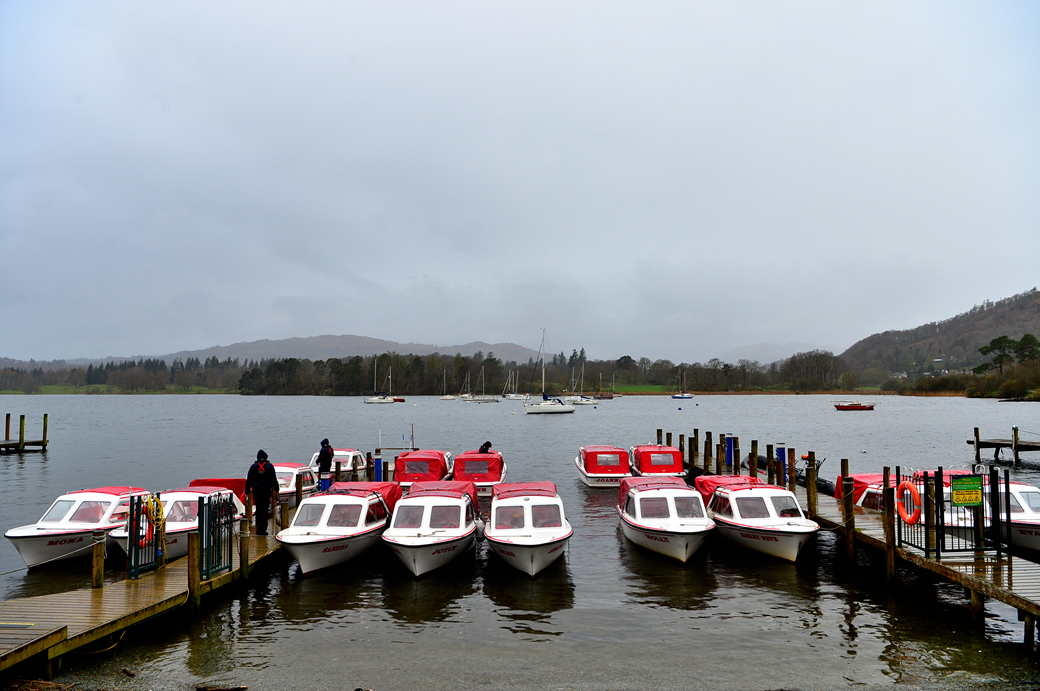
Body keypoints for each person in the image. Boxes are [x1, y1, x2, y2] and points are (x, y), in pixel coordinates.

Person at [245, 449, 278, 536]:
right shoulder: (269, 466)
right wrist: (277, 489)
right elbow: (274, 479)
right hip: (266, 491)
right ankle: (262, 530)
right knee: (264, 509)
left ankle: (258, 528)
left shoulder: (253, 467)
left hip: (256, 491)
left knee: (258, 509)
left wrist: (246, 491)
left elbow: (249, 480)